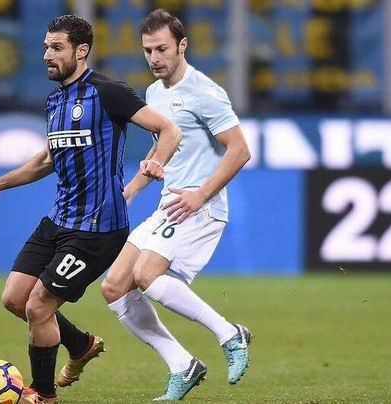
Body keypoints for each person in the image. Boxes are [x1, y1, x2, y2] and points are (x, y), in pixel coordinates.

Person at [0, 15, 181, 404]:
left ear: (81, 51)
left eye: (56, 47)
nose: (47, 54)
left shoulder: (108, 93)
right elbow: (46, 160)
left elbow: (169, 130)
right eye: (46, 46)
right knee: (15, 299)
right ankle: (80, 344)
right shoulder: (54, 101)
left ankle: (43, 394)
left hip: (98, 229)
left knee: (38, 305)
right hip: (59, 221)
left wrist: (155, 162)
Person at [100, 9, 253, 401]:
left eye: (162, 49)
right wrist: (131, 190)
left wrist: (200, 195)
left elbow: (239, 150)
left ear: (182, 45)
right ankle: (182, 365)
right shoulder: (154, 94)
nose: (154, 58)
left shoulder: (205, 92)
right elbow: (160, 152)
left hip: (199, 207)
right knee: (114, 287)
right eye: (148, 50)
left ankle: (229, 334)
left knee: (147, 274)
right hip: (170, 205)